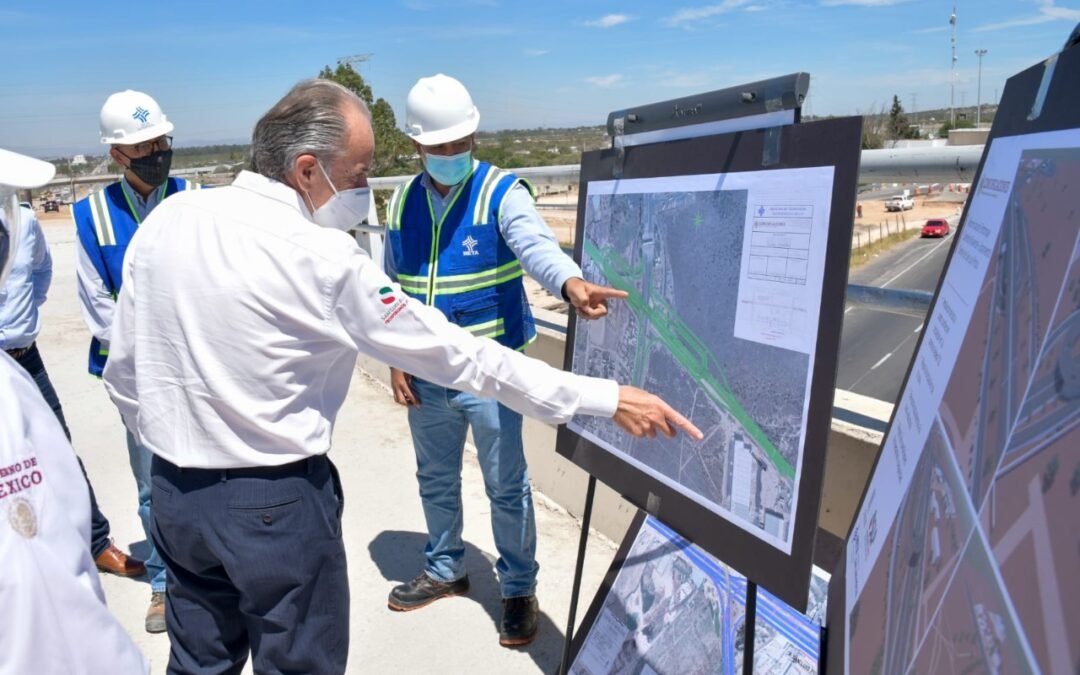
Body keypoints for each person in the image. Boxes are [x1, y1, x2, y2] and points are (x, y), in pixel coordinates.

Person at [101, 78, 701, 674]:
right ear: (307, 170)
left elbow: (125, 372)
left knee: (198, 664)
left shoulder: (170, 219)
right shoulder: (321, 257)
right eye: (359, 173)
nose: (363, 189)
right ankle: (446, 566)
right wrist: (603, 396)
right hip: (274, 509)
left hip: (177, 498)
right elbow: (461, 355)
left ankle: (516, 585)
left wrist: (178, 449)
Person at [383, 73, 625, 646]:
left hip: (491, 374)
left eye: (459, 142)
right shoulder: (399, 201)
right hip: (426, 373)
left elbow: (535, 244)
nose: (450, 155)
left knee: (506, 484)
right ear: (416, 145)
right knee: (434, 477)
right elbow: (393, 287)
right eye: (438, 147)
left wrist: (569, 281)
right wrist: (396, 358)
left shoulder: (500, 191)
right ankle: (446, 568)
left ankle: (518, 588)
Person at [0, 147, 148, 674]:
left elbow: (39, 273)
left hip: (23, 355)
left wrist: (22, 324)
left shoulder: (23, 222)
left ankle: (95, 541)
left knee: (54, 453)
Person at [73, 89, 201, 633]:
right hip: (133, 376)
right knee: (154, 482)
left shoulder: (194, 198)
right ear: (116, 156)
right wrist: (146, 356)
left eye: (160, 141)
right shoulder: (91, 214)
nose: (155, 151)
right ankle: (164, 582)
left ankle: (211, 572)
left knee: (212, 469)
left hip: (198, 366)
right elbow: (97, 302)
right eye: (142, 145)